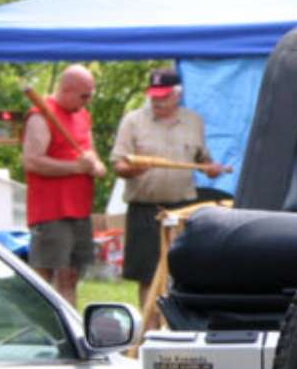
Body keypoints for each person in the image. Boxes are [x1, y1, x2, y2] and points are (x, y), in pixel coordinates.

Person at [112, 67, 224, 311]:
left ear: (177, 95)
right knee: (148, 275)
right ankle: (150, 324)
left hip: (182, 209)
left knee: (182, 272)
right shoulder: (133, 121)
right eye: (154, 96)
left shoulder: (194, 121)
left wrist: (211, 168)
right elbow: (118, 165)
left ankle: (176, 321)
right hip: (146, 209)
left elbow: (203, 160)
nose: (158, 102)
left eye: (163, 96)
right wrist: (133, 170)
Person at [22, 64, 106, 307]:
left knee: (70, 276)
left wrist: (96, 165)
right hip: (52, 211)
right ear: (67, 89)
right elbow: (32, 161)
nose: (88, 101)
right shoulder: (41, 115)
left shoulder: (83, 115)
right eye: (84, 95)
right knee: (43, 276)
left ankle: (70, 322)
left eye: (90, 95)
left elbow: (90, 154)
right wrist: (76, 167)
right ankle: (38, 324)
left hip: (80, 209)